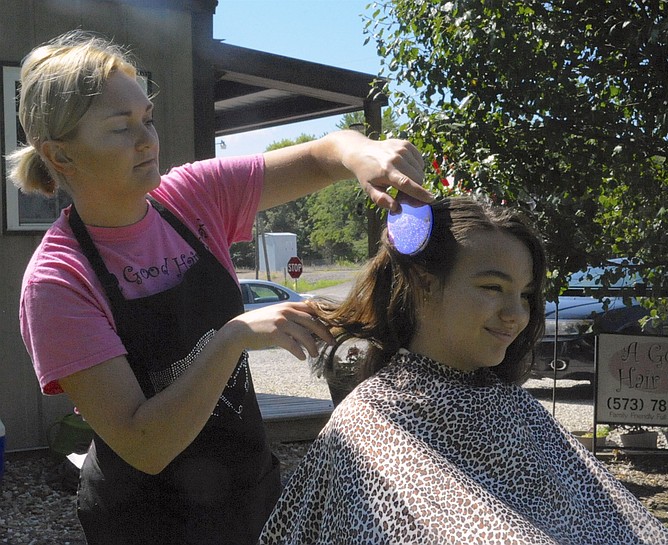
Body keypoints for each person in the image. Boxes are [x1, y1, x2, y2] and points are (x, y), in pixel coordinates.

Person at [10, 30, 432, 545]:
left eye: (147, 118)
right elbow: (144, 444)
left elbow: (328, 152)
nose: (147, 140)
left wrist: (364, 152)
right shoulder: (57, 281)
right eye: (121, 127)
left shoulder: (192, 196)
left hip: (248, 493)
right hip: (145, 522)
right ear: (61, 155)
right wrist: (231, 338)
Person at [260, 197, 668, 544]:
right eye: (492, 288)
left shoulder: (512, 407)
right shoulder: (370, 423)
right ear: (425, 282)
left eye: (525, 294)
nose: (516, 314)